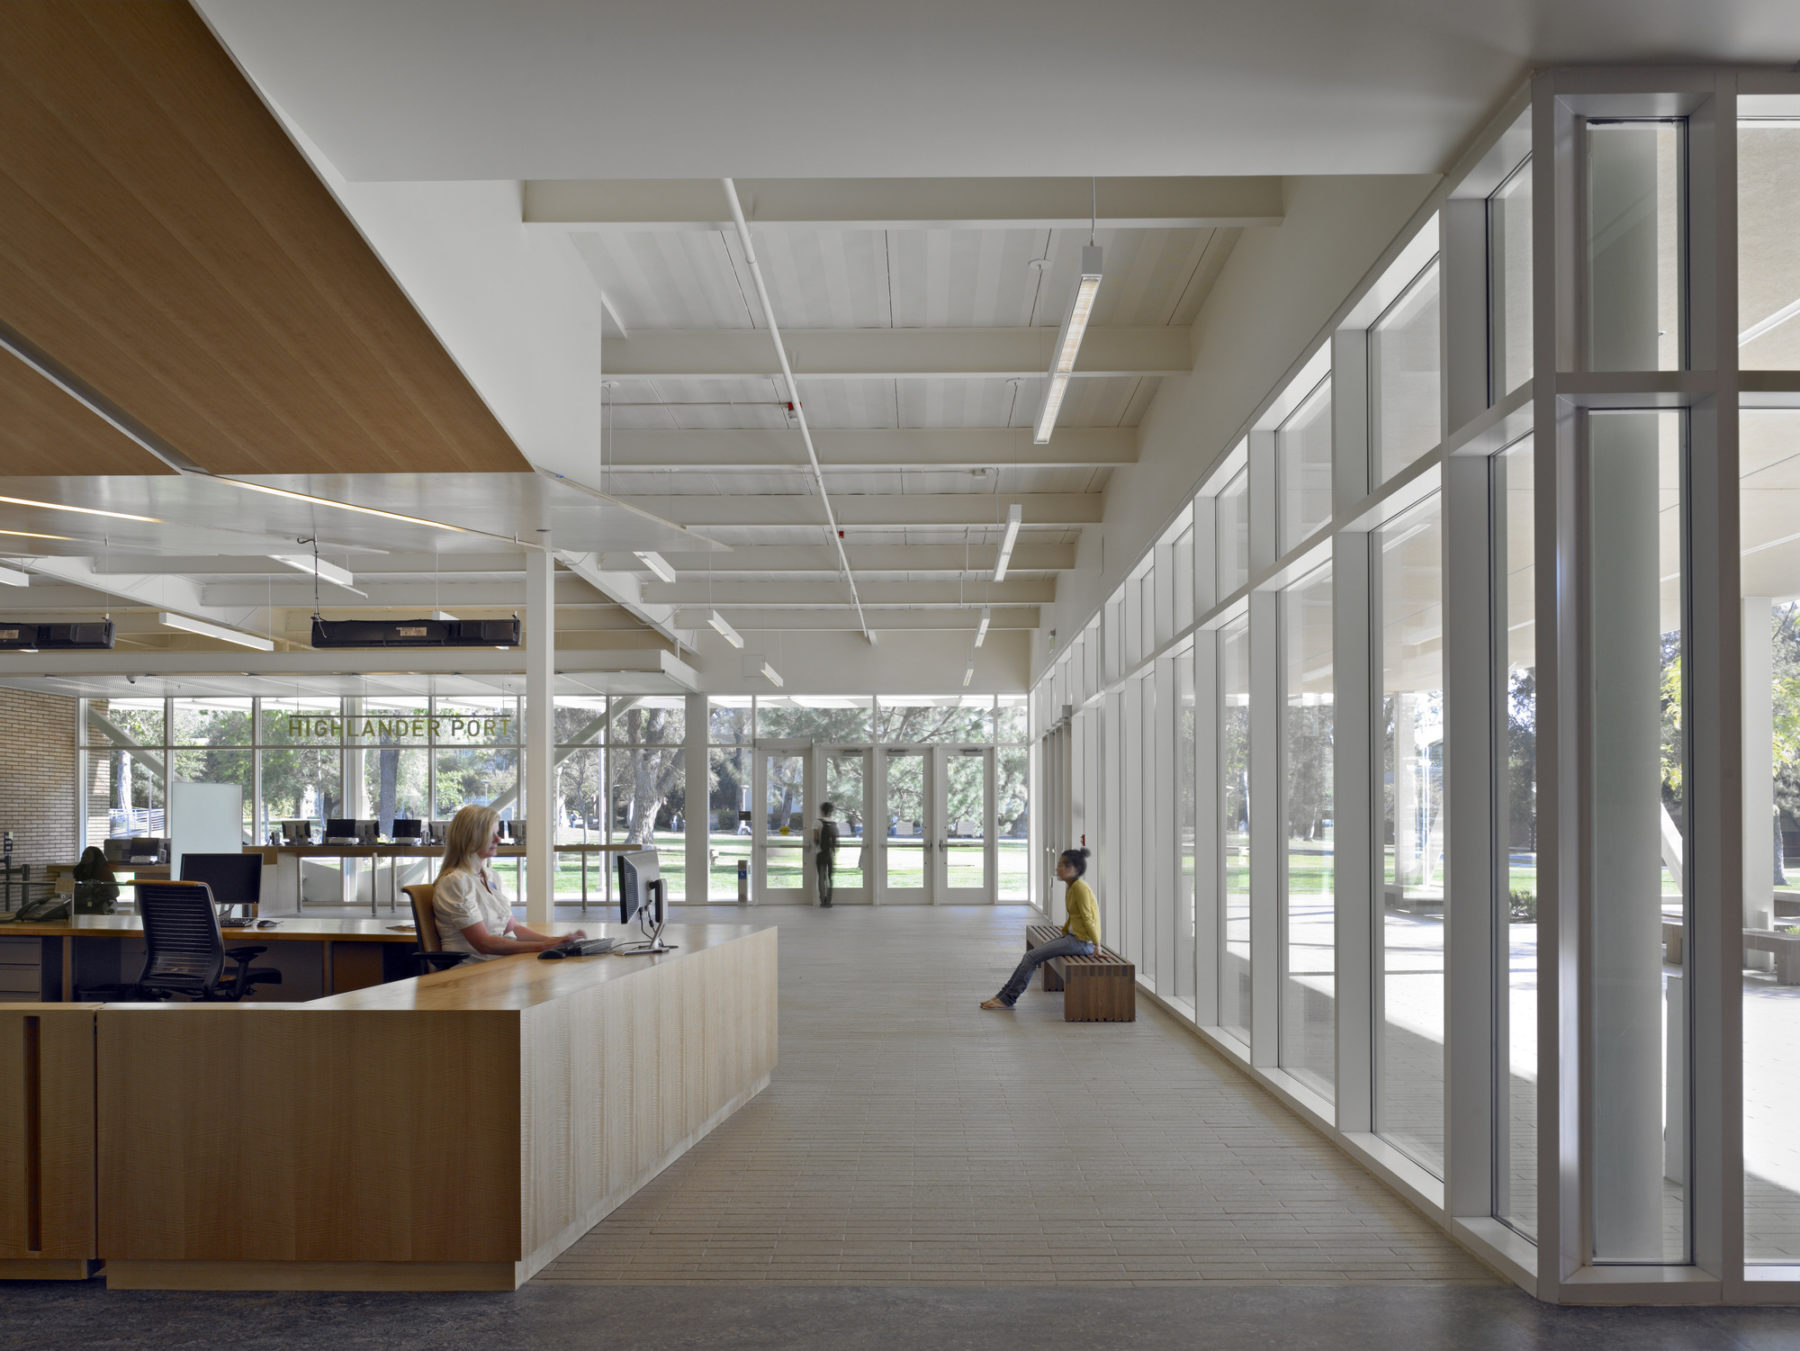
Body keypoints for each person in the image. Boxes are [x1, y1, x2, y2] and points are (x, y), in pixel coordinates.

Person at [433, 804, 582, 960]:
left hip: (497, 964)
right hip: (471, 969)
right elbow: (484, 944)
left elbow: (513, 929)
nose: (498, 839)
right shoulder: (455, 882)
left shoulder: (491, 877)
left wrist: (557, 941)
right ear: (471, 837)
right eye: (492, 835)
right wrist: (543, 946)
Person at [982, 847, 1098, 1010]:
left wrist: (1097, 945)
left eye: (1064, 865)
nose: (1059, 868)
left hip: (1081, 942)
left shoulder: (1080, 888)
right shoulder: (1071, 886)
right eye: (1059, 864)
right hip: (1072, 938)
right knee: (1030, 955)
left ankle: (1007, 999)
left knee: (1031, 957)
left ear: (1076, 869)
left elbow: (1088, 918)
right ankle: (1002, 996)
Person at [812, 801, 840, 907]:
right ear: (831, 811)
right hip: (830, 854)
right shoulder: (834, 823)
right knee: (830, 877)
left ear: (822, 811)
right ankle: (829, 900)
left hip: (820, 853)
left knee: (821, 876)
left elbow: (815, 838)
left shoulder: (817, 822)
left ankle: (822, 901)